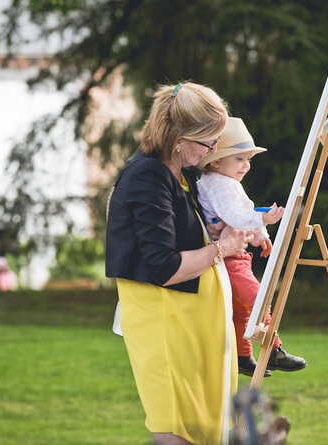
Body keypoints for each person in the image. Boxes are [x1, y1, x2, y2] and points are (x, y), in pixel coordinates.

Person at [106, 82, 253, 445]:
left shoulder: (180, 170)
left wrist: (213, 232)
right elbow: (165, 267)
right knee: (176, 425)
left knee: (201, 425)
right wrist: (223, 248)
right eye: (208, 142)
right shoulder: (147, 176)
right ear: (178, 137)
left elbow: (181, 235)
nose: (214, 151)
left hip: (190, 322)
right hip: (165, 325)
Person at [196, 117, 307, 378]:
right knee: (259, 299)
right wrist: (263, 220)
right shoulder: (219, 184)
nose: (246, 166)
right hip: (228, 258)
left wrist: (260, 233)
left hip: (233, 255)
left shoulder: (224, 182)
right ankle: (273, 350)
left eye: (248, 160)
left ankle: (242, 355)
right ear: (215, 161)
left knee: (242, 309)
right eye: (239, 159)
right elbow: (234, 215)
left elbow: (244, 210)